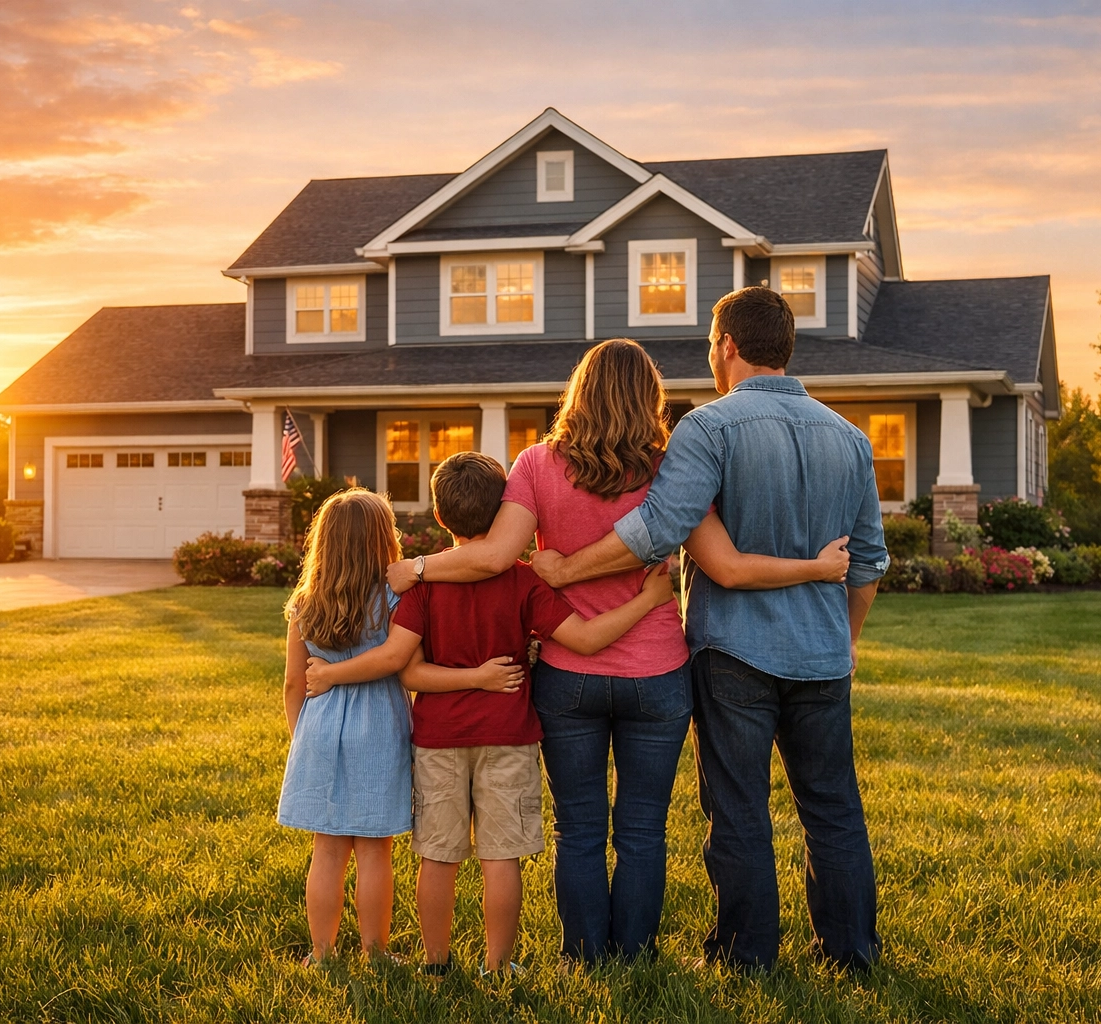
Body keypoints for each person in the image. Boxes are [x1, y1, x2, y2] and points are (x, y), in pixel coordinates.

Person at [382, 338, 851, 965]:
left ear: (578, 391)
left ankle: (583, 957)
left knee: (577, 828)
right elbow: (721, 562)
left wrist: (413, 566)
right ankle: (632, 957)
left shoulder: (536, 465)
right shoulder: (672, 466)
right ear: (649, 398)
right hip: (657, 675)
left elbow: (495, 558)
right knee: (641, 831)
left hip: (568, 675)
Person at [533, 288, 890, 972]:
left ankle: (744, 956)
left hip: (735, 654)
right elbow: (868, 562)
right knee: (834, 809)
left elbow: (658, 530)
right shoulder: (850, 437)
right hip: (822, 655)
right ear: (786, 347)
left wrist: (566, 568)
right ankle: (852, 955)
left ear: (726, 345)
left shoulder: (708, 429)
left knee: (739, 810)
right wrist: (846, 640)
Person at [304, 450, 677, 975]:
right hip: (509, 734)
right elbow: (588, 639)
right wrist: (648, 598)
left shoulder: (424, 582)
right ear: (507, 508)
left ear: (439, 517)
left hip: (437, 738)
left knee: (438, 857)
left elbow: (407, 671)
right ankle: (498, 966)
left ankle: (436, 962)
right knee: (500, 858)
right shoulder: (524, 582)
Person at [277, 488, 499, 965]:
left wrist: (304, 738)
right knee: (375, 850)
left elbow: (295, 682)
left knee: (328, 850)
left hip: (320, 728)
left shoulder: (305, 603)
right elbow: (404, 663)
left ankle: (321, 954)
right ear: (384, 541)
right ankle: (376, 953)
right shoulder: (396, 598)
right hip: (378, 729)